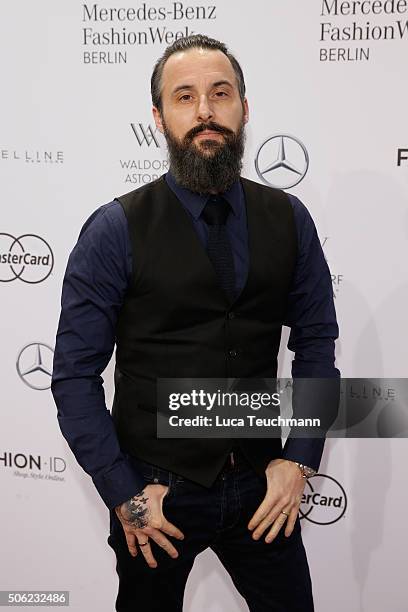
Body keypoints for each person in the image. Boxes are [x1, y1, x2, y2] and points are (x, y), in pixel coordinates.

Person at [51, 34, 340, 612]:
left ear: (244, 108)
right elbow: (74, 377)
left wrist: (299, 457)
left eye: (220, 93)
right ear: (159, 117)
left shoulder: (289, 218)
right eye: (185, 97)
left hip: (265, 489)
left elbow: (316, 347)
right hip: (156, 496)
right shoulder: (114, 229)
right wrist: (124, 493)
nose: (205, 111)